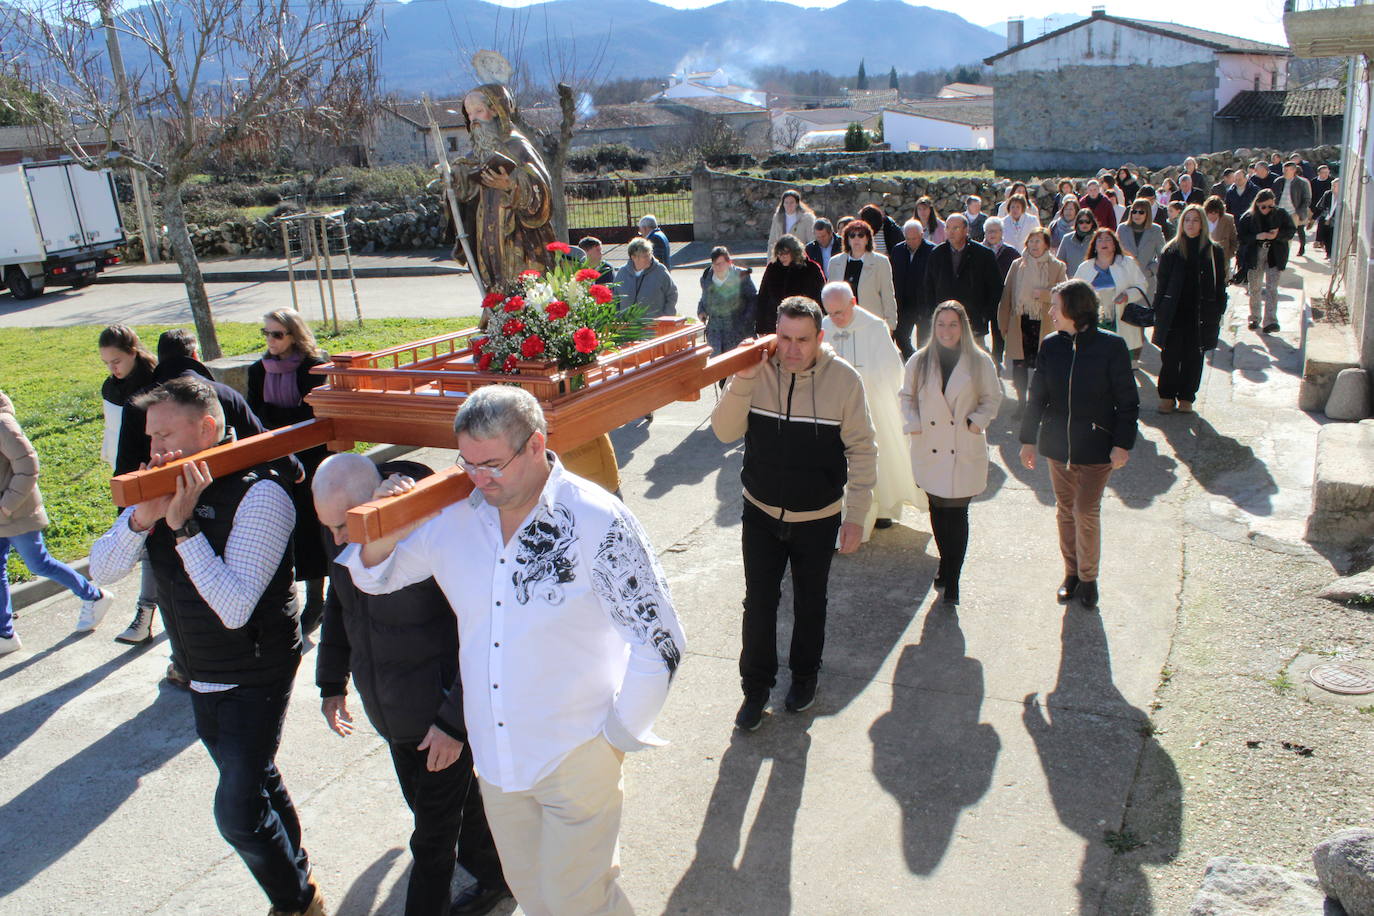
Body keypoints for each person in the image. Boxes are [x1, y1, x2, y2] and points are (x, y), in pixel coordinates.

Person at [343, 385, 686, 916]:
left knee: (574, 904)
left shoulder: (597, 520)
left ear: (535, 445)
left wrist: (615, 738)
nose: (480, 478)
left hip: (578, 753)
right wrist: (396, 521)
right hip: (498, 766)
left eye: (494, 464)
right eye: (468, 463)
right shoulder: (453, 520)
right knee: (538, 897)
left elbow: (659, 638)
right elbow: (374, 577)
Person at [88, 376, 321, 916]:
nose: (156, 450)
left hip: (254, 668)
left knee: (238, 814)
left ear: (209, 429)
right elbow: (103, 569)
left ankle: (297, 904)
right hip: (199, 669)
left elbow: (235, 607)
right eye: (151, 438)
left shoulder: (261, 491)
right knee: (258, 778)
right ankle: (301, 877)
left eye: (167, 435)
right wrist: (143, 519)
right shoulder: (160, 488)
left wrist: (184, 530)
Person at [313, 454, 509, 916]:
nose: (338, 540)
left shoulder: (435, 530)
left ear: (376, 498)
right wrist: (331, 681)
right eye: (329, 528)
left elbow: (482, 630)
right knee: (439, 808)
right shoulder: (345, 525)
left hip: (438, 716)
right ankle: (498, 873)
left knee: (431, 840)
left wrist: (455, 723)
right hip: (395, 714)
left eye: (343, 525)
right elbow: (340, 605)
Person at [712, 296, 876, 730]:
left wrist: (856, 514)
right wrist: (743, 379)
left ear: (820, 338)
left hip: (818, 516)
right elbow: (724, 431)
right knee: (759, 604)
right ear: (775, 333)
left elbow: (863, 449)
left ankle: (804, 678)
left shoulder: (844, 381)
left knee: (811, 602)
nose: (792, 349)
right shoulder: (757, 371)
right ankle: (755, 690)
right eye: (784, 337)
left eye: (803, 340)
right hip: (761, 511)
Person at [1019, 279, 1139, 610]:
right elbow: (1037, 396)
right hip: (1058, 447)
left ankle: (1088, 579)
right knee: (1065, 512)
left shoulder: (1111, 346)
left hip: (1096, 448)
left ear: (1075, 308)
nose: (1051, 312)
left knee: (1085, 510)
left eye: (1056, 306)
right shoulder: (1051, 345)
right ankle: (1071, 574)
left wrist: (1122, 443)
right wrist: (1028, 439)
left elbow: (1128, 402)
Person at [899, 301, 1000, 607]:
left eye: (953, 324)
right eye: (941, 324)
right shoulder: (919, 360)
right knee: (937, 510)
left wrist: (975, 422)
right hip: (929, 445)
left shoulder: (979, 361)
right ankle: (945, 563)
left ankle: (953, 577)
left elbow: (992, 398)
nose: (946, 330)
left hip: (962, 446)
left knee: (956, 513)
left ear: (963, 326)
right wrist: (914, 424)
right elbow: (906, 396)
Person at [1, 388, 114, 654]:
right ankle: (5, 634)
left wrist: (6, 507)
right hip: (5, 513)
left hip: (17, 513)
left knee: (39, 563)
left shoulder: (3, 423)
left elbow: (28, 466)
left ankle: (94, 596)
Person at [247, 308, 329, 634]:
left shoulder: (313, 367)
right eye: (266, 333)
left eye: (277, 334)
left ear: (294, 334)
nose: (270, 340)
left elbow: (309, 415)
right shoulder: (257, 370)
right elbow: (254, 415)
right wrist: (280, 420)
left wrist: (275, 418)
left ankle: (317, 598)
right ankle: (286, 597)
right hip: (274, 460)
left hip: (310, 459)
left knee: (310, 527)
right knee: (280, 527)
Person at [821, 282, 924, 539]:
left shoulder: (874, 326)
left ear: (853, 302)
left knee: (879, 454)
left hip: (872, 404)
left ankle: (882, 508)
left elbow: (891, 370)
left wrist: (864, 382)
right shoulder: (823, 327)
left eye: (840, 312)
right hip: (835, 410)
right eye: (830, 313)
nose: (836, 319)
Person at [449, 83, 556, 293]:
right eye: (469, 114)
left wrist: (511, 184)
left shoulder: (518, 146)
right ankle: (496, 315)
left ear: (497, 112)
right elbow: (465, 195)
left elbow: (541, 187)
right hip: (486, 233)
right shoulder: (474, 156)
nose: (474, 120)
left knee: (523, 287)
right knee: (494, 284)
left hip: (518, 236)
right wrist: (455, 181)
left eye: (479, 111)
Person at [97, 324, 160, 645]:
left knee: (154, 548)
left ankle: (145, 615)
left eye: (117, 361)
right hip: (126, 475)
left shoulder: (153, 383)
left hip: (154, 472)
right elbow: (113, 432)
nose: (112, 369)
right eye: (107, 363)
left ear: (134, 352)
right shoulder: (111, 388)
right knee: (150, 547)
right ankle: (147, 616)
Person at [1152, 204, 1228, 415]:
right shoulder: (1171, 250)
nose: (1190, 224)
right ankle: (1167, 396)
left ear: (1202, 223)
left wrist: (1219, 309)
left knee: (1194, 357)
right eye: (1187, 220)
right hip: (1174, 312)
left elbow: (1220, 284)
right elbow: (1162, 284)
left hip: (1201, 313)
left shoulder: (1214, 251)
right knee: (1170, 356)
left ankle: (1186, 397)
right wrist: (1158, 311)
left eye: (1195, 220)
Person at [997, 227, 1067, 409]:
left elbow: (1063, 295)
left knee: (1043, 367)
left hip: (1044, 323)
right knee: (1019, 366)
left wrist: (1043, 294)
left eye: (1038, 241)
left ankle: (1040, 404)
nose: (1034, 245)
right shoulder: (1017, 264)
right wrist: (1003, 323)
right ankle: (1021, 404)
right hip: (1020, 320)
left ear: (1046, 244)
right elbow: (1007, 295)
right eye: (1031, 241)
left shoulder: (1057, 266)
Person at [924, 212, 1004, 345]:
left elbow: (995, 288)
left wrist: (985, 315)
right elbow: (928, 286)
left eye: (956, 228)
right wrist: (934, 313)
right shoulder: (936, 254)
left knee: (974, 361)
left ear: (966, 230)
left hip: (974, 321)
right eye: (948, 228)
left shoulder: (983, 255)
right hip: (945, 322)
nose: (951, 232)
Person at [1073, 228, 1150, 362]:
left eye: (1108, 239)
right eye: (1100, 240)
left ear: (1115, 245)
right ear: (1095, 246)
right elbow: (1074, 293)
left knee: (1120, 363)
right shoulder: (1085, 267)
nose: (1104, 242)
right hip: (1094, 322)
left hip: (1121, 320)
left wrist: (1127, 295)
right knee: (1097, 363)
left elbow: (1142, 285)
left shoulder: (1127, 263)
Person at [1236, 188, 1296, 334]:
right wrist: (1257, 237)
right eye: (1263, 206)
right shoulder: (1248, 217)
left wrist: (1277, 235)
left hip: (1274, 254)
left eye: (1270, 206)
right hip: (1255, 254)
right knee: (1255, 287)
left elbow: (1290, 231)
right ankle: (1254, 317)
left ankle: (1271, 320)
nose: (1267, 209)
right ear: (1257, 204)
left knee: (1272, 288)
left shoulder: (1280, 214)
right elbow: (1241, 237)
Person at [830, 219, 897, 332]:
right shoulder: (835, 262)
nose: (856, 239)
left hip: (871, 324)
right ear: (847, 240)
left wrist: (890, 324)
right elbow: (831, 295)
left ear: (867, 239)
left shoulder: (881, 261)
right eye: (852, 235)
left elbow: (888, 295)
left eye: (861, 235)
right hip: (842, 325)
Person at [755, 233, 826, 334]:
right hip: (775, 326)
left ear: (795, 251)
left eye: (785, 253)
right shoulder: (772, 268)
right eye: (779, 254)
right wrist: (760, 327)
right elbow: (763, 298)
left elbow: (821, 297)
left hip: (804, 324)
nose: (782, 257)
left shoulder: (811, 268)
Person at [698, 246, 758, 358]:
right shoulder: (707, 278)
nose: (718, 267)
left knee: (737, 369)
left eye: (721, 263)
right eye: (715, 264)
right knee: (718, 370)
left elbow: (753, 299)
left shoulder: (741, 276)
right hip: (715, 336)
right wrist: (701, 311)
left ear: (729, 262)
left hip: (737, 334)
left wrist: (746, 320)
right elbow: (704, 299)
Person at [890, 219, 934, 358]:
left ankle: (923, 365)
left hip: (924, 303)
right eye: (907, 238)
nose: (911, 241)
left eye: (914, 238)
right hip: (904, 303)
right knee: (900, 336)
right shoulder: (898, 250)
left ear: (922, 234)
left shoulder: (933, 251)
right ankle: (913, 358)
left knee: (925, 340)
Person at [614, 236, 678, 320]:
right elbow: (614, 298)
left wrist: (666, 317)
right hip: (627, 328)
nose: (649, 258)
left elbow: (672, 294)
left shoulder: (660, 271)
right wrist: (617, 318)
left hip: (655, 327)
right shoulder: (622, 273)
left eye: (650, 254)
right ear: (633, 257)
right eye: (645, 256)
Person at [1117, 199, 1167, 299]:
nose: (1137, 215)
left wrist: (1151, 270)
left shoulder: (1155, 230)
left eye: (1141, 212)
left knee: (1145, 313)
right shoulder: (1122, 229)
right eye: (1134, 212)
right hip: (1124, 281)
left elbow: (1163, 257)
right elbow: (1115, 252)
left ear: (1147, 213)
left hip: (1146, 281)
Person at [1273, 159, 1312, 257]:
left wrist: (1299, 212)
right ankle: (1278, 253)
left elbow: (1307, 199)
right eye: (1284, 170)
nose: (1284, 172)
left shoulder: (1302, 183)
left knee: (1289, 235)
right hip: (1280, 212)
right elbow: (1273, 196)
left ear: (1294, 170)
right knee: (1277, 233)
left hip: (1293, 212)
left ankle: (1285, 255)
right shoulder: (1278, 181)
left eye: (1287, 170)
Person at [767, 189, 816, 257]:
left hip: (800, 257)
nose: (789, 205)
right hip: (781, 258)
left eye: (792, 202)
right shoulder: (777, 218)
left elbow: (812, 240)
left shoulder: (807, 218)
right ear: (783, 204)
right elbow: (772, 241)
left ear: (797, 203)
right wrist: (770, 261)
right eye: (786, 202)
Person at [1204, 195, 1238, 268]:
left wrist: (1228, 255)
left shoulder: (1228, 220)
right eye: (1210, 212)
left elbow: (1234, 241)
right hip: (1204, 259)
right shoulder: (1201, 219)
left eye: (1215, 212)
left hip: (1223, 261)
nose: (1213, 215)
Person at [1314, 177, 1339, 261]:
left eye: (1336, 186)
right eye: (1333, 186)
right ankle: (1328, 253)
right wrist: (1314, 218)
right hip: (1325, 218)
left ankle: (1331, 254)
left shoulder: (1342, 196)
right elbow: (1320, 207)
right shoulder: (1328, 194)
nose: (1334, 188)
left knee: (1332, 236)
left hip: (1335, 221)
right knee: (1325, 237)